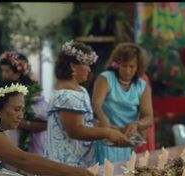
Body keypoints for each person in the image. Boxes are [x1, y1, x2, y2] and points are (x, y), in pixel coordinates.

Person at [44, 40, 128, 168]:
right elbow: (75, 130)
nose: (89, 69)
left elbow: (84, 122)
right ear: (73, 66)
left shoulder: (80, 90)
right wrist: (106, 133)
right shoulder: (68, 95)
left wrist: (111, 128)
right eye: (86, 64)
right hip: (67, 163)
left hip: (81, 160)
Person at [92, 42, 154, 164]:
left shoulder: (142, 86)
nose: (127, 71)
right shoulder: (106, 78)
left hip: (126, 140)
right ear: (117, 64)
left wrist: (136, 125)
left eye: (132, 67)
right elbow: (96, 104)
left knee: (122, 174)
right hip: (106, 135)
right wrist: (103, 119)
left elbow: (149, 118)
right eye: (124, 66)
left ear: (138, 67)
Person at [0, 51, 48, 156]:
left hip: (30, 143)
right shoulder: (2, 90)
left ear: (18, 73)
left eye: (7, 71)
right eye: (2, 71)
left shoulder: (32, 93)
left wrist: (21, 123)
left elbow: (44, 124)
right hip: (8, 138)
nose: (3, 74)